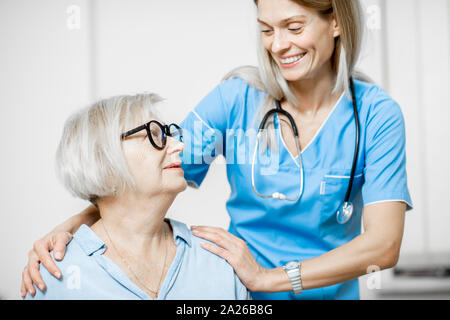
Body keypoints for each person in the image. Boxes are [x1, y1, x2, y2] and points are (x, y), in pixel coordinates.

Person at [22, 0, 412, 300]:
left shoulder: (377, 116)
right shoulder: (236, 100)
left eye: (294, 27)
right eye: (266, 29)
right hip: (236, 296)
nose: (278, 45)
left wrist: (270, 278)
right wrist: (67, 230)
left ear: (337, 22)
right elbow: (138, 176)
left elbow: (384, 244)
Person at [24, 93, 249, 300]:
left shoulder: (221, 263)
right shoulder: (52, 277)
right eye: (154, 135)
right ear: (104, 160)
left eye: (168, 134)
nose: (180, 146)